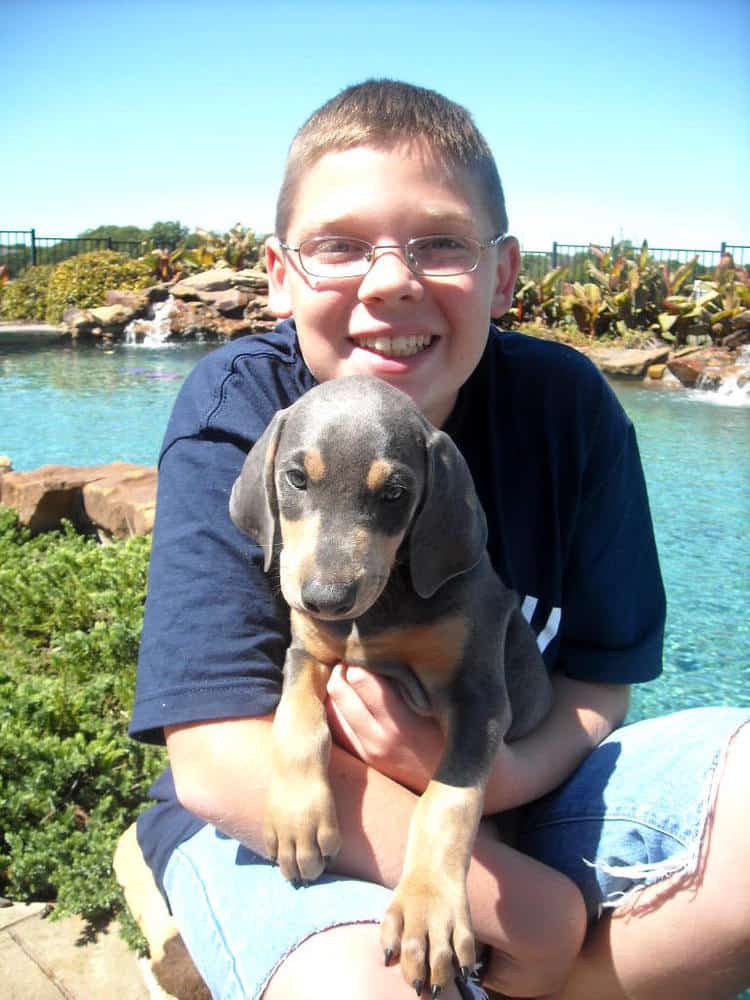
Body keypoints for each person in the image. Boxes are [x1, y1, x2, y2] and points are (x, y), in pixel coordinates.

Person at [130, 79, 750, 1000]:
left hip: (508, 784)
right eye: (338, 245)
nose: (390, 281)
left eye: (441, 244)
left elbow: (595, 683)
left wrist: (476, 790)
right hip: (282, 806)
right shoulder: (247, 418)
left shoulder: (569, 408)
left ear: (502, 275)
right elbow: (217, 761)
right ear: (277, 275)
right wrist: (525, 909)